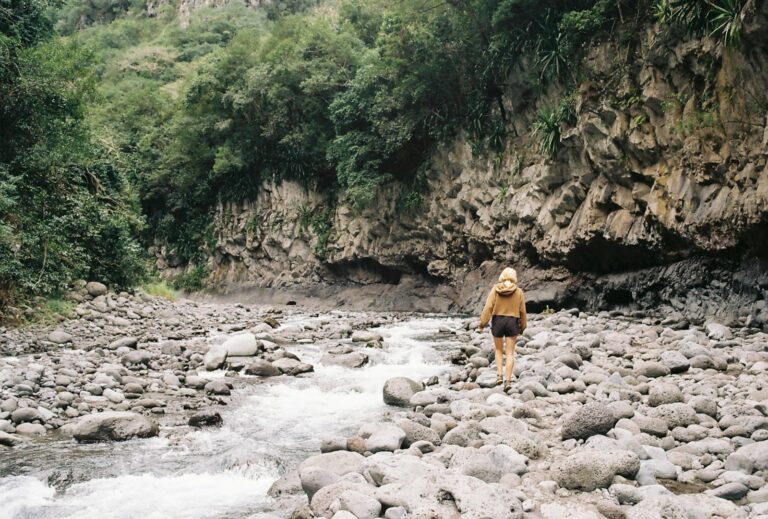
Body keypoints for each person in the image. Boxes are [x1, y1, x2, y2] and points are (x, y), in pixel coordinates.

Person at [478, 267, 527, 391]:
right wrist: (523, 327)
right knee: (510, 353)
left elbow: (488, 307)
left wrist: (482, 324)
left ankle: (499, 375)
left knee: (499, 350)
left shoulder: (496, 289)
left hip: (498, 321)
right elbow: (522, 311)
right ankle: (508, 381)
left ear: (503, 276)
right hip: (512, 321)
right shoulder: (519, 292)